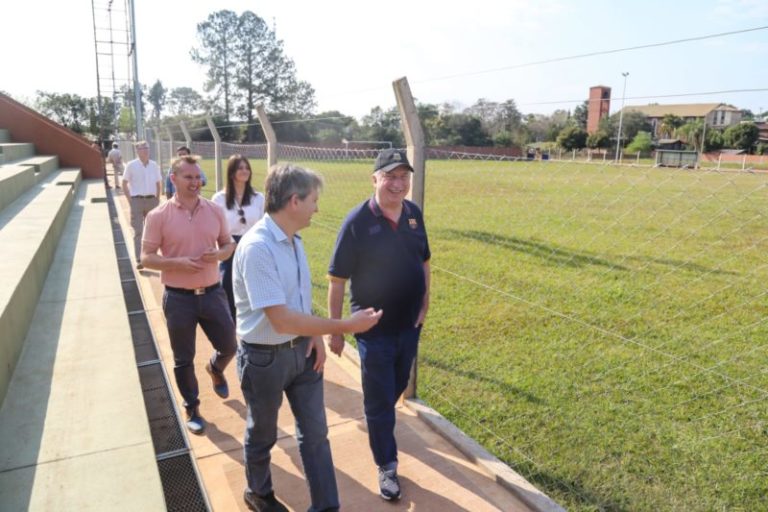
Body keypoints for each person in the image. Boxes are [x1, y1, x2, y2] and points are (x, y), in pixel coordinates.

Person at [233, 163, 382, 512]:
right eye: (314, 199)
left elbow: (298, 300)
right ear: (294, 201)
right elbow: (281, 319)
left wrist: (314, 338)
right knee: (263, 434)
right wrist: (345, 326)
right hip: (264, 358)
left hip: (302, 352)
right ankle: (258, 491)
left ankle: (327, 507)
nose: (318, 207)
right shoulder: (258, 248)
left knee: (316, 434)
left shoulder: (293, 240)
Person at [326, 148, 430, 502]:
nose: (398, 184)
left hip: (409, 326)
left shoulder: (414, 214)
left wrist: (425, 304)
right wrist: (337, 329)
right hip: (372, 332)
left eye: (403, 176)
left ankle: (380, 425)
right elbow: (337, 279)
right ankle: (386, 465)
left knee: (394, 390)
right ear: (375, 179)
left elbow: (425, 261)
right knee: (380, 403)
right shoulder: (357, 222)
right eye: (390, 176)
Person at [141, 154, 237, 435]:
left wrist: (219, 254)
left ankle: (215, 368)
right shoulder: (159, 216)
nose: (195, 182)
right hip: (178, 298)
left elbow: (228, 244)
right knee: (183, 358)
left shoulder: (215, 210)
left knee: (230, 345)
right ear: (174, 179)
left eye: (198, 177)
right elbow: (146, 257)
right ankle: (192, 406)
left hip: (212, 293)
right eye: (188, 177)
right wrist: (176, 263)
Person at [212, 154, 264, 321]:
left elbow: (264, 224)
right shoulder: (219, 199)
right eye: (240, 168)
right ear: (232, 172)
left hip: (253, 248)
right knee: (227, 290)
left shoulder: (258, 198)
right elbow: (215, 227)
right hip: (229, 248)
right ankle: (229, 335)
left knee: (253, 291)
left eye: (247, 167)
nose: (245, 171)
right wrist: (231, 244)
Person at [123, 141, 162, 269]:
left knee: (154, 231)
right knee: (138, 231)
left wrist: (157, 199)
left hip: (152, 201)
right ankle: (139, 259)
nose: (145, 150)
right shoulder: (131, 165)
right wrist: (131, 201)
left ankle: (152, 258)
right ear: (137, 151)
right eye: (142, 148)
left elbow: (158, 183)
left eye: (147, 148)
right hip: (137, 201)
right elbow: (124, 183)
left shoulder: (154, 165)